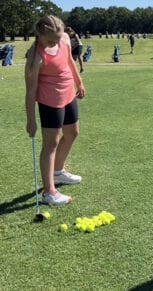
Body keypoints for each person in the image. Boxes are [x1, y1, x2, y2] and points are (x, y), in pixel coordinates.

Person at [25, 15, 86, 206]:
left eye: (58, 38)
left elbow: (69, 61)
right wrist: (31, 119)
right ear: (39, 35)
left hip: (68, 94)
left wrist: (79, 81)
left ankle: (58, 172)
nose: (55, 43)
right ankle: (49, 192)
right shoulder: (35, 57)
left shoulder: (65, 39)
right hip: (50, 100)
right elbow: (30, 91)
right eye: (51, 40)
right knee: (51, 143)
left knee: (72, 133)